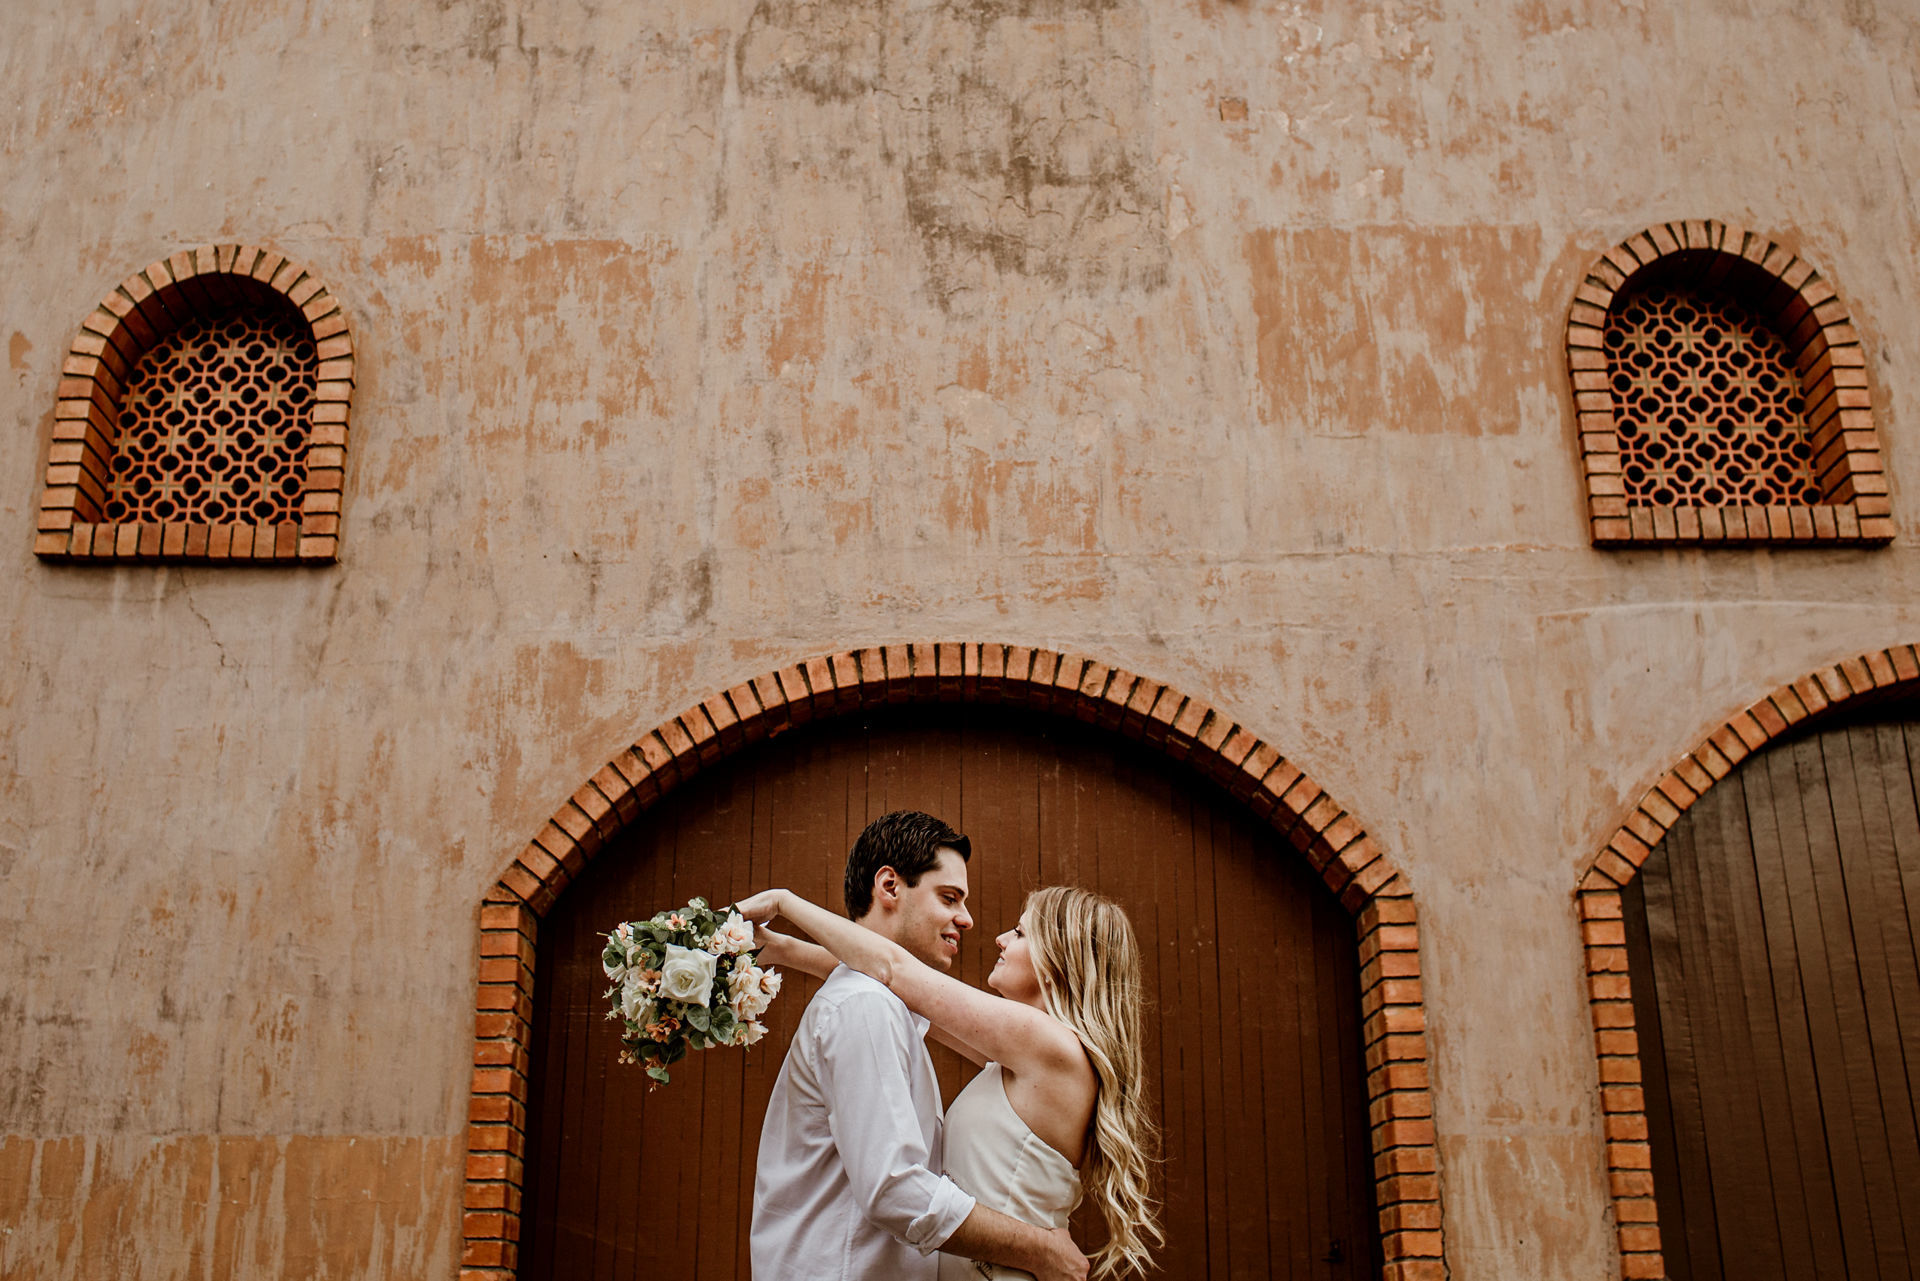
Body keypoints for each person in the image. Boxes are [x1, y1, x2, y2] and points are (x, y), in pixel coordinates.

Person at [743, 845, 1161, 1279]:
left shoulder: (1047, 1045)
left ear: (1058, 958)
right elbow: (893, 983)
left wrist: (783, 904)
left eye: (1020, 933)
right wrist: (780, 949)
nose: (1000, 938)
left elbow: (894, 971)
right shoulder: (1030, 1058)